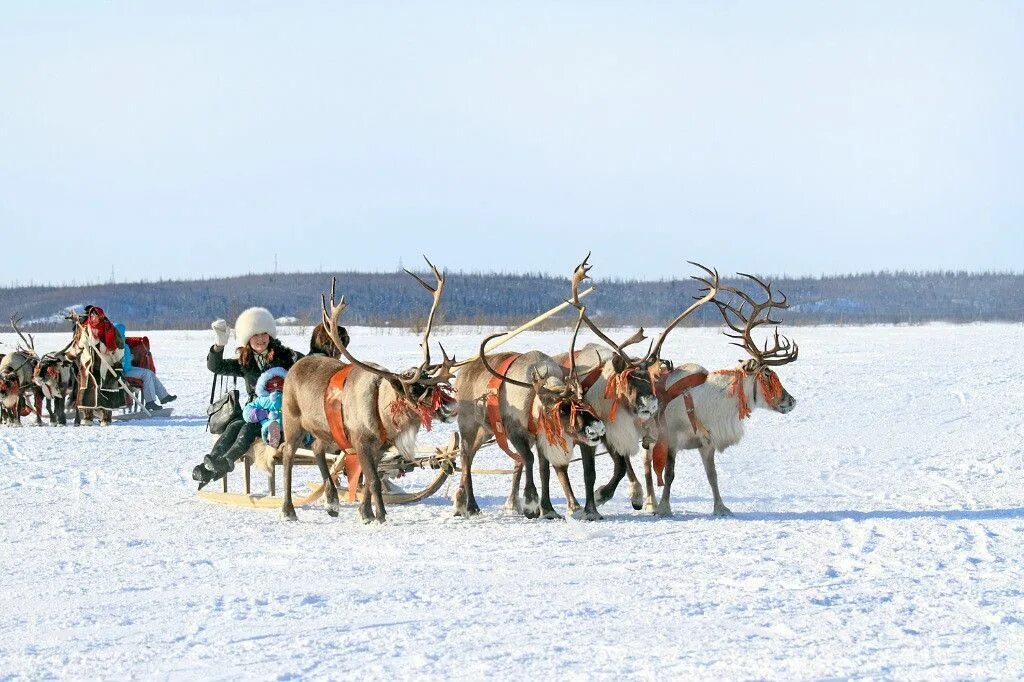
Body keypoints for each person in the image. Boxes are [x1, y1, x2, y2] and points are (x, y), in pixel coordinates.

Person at [192, 307, 302, 488]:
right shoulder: (246, 361)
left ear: (270, 334)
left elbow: (308, 364)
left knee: (246, 430)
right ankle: (211, 463)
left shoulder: (285, 356)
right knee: (233, 426)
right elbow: (216, 367)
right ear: (247, 339)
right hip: (254, 411)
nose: (260, 339)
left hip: (279, 411)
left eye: (263, 334)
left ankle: (225, 462)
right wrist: (219, 345)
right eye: (254, 335)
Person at [114, 323, 176, 412]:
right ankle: (150, 402)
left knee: (149, 372)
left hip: (129, 368)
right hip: (124, 371)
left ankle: (164, 396)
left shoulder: (122, 340)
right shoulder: (116, 343)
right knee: (146, 374)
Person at [241, 367, 287, 449]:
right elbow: (247, 411)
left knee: (293, 429)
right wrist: (263, 413)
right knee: (270, 427)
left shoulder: (290, 397)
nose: (276, 389)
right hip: (269, 423)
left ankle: (290, 440)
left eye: (280, 385)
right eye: (272, 386)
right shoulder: (262, 400)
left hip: (288, 423)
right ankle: (273, 438)